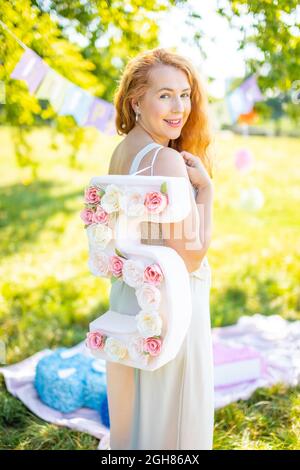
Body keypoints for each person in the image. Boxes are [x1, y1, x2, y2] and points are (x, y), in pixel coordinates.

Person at [106, 47, 215, 450]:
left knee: (137, 408)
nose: (180, 107)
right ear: (137, 100)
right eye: (165, 95)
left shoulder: (123, 152)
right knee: (174, 414)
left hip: (131, 296)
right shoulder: (166, 161)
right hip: (170, 301)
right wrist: (206, 190)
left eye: (185, 94)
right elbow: (191, 255)